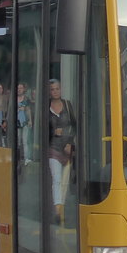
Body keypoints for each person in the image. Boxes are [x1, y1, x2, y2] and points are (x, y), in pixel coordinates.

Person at [47, 79, 76, 223]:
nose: (55, 91)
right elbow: (42, 129)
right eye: (52, 89)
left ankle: (62, 206)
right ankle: (58, 210)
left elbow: (75, 126)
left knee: (65, 182)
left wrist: (70, 142)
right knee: (57, 180)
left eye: (57, 88)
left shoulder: (67, 105)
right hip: (53, 149)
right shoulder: (46, 107)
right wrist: (54, 131)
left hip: (67, 148)